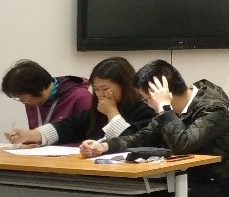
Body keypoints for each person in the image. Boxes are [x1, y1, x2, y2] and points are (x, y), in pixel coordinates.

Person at [81, 59, 229, 197]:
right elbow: (144, 136)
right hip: (180, 178)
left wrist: (165, 107)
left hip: (216, 184)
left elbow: (183, 144)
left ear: (165, 94)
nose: (146, 104)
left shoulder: (213, 108)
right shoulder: (170, 110)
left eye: (146, 99)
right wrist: (106, 146)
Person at [6, 56, 154, 148]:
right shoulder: (97, 111)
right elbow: (68, 126)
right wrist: (31, 135)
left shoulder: (145, 111)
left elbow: (133, 142)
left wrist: (112, 113)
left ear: (124, 85)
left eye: (105, 89)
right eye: (96, 89)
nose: (100, 94)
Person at [3, 59, 92, 130]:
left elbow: (91, 137)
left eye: (23, 98)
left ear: (39, 90)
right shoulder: (31, 102)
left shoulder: (80, 97)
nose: (23, 102)